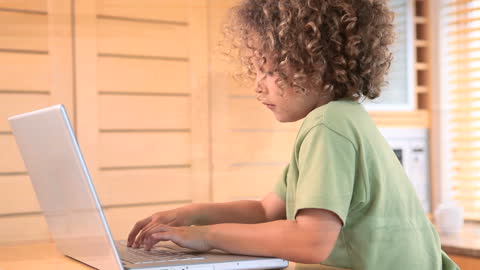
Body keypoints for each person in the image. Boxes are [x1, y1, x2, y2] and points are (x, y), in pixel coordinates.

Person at [127, 0, 459, 269]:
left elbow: (310, 241)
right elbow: (265, 211)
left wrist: (206, 235)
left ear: (315, 63)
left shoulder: (329, 125)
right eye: (256, 69)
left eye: (270, 70)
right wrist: (188, 216)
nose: (257, 85)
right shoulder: (343, 119)